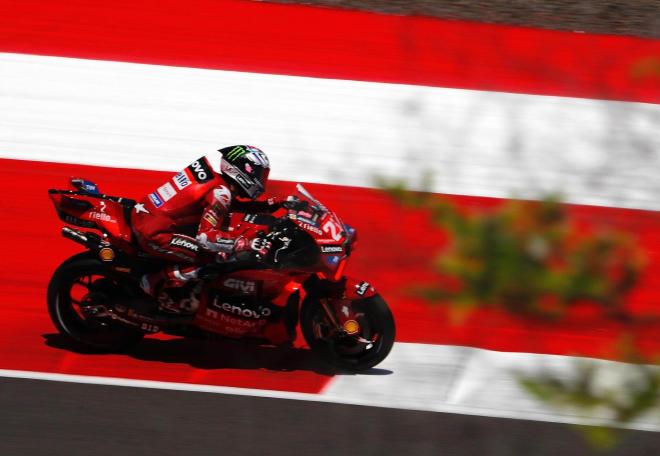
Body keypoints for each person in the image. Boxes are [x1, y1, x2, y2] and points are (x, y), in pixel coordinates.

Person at [132, 145, 285, 298]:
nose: (260, 181)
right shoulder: (221, 192)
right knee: (214, 258)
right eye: (259, 175)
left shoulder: (215, 180)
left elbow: (230, 206)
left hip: (144, 216)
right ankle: (154, 281)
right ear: (244, 170)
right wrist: (246, 243)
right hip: (155, 233)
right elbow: (205, 238)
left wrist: (271, 205)